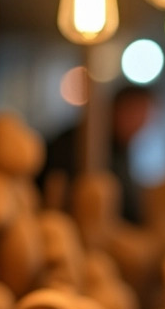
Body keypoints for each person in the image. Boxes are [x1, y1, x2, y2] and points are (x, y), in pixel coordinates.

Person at [42, 84, 155, 224]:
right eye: (137, 113)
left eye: (146, 116)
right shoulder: (80, 143)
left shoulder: (123, 148)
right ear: (116, 109)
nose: (141, 122)